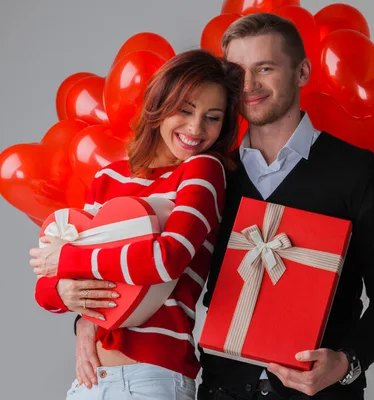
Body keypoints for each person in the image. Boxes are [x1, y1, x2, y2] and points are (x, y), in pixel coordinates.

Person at [197, 13, 374, 400]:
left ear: (301, 72)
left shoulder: (358, 172)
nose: (248, 85)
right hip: (221, 391)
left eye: (265, 68)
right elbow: (165, 270)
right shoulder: (212, 174)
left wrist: (349, 362)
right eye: (237, 72)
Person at [29, 49, 244, 399]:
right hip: (90, 381)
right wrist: (66, 293)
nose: (195, 128)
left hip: (151, 380)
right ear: (160, 104)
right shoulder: (108, 178)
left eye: (212, 117)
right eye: (185, 110)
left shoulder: (203, 170)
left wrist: (67, 260)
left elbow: (166, 259)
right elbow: (45, 292)